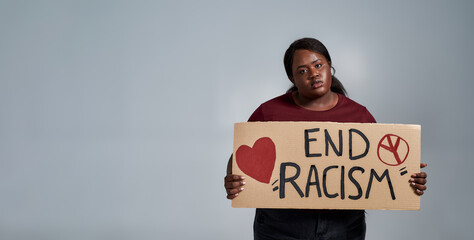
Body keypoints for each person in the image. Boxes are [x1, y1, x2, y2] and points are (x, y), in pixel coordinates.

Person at [224, 38, 428, 239]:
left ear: (330, 67)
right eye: (302, 71)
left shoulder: (359, 115)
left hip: (344, 225)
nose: (313, 74)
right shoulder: (269, 112)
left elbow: (378, 165)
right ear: (292, 78)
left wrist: (406, 174)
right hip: (280, 224)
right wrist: (232, 180)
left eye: (318, 65)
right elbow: (242, 154)